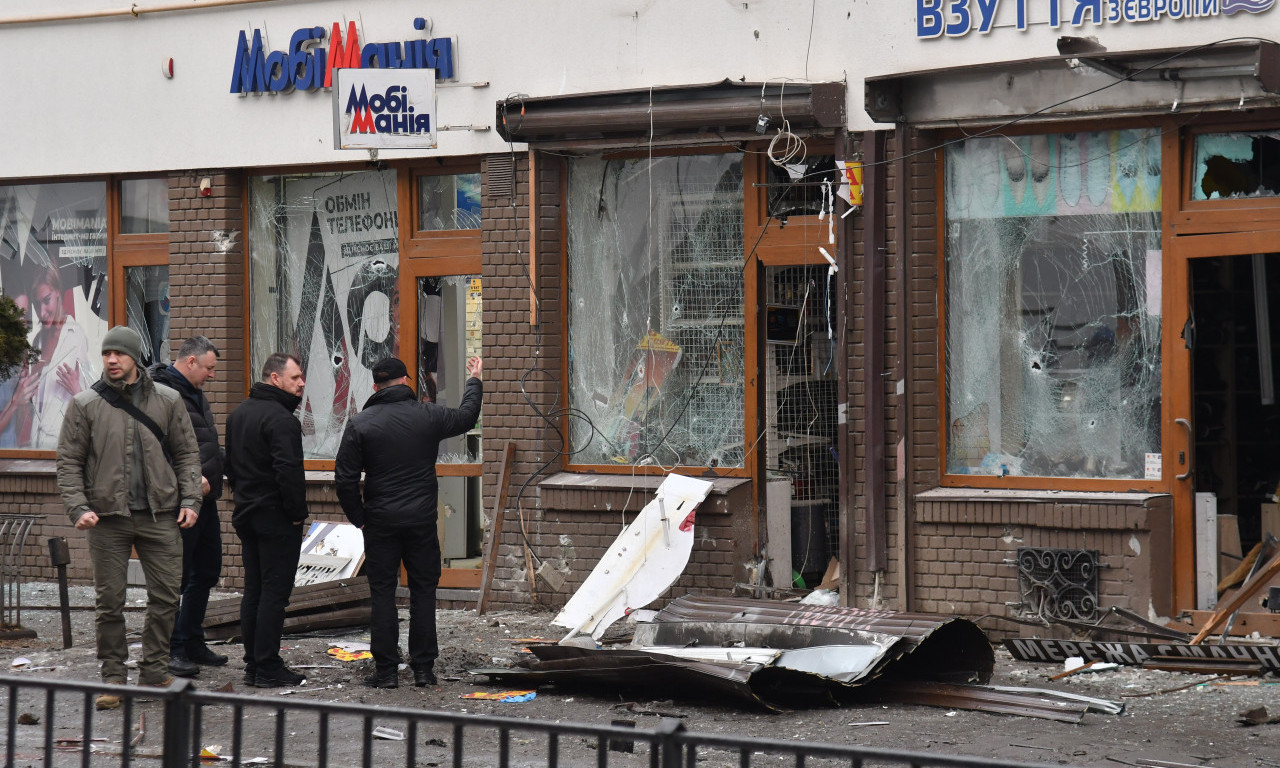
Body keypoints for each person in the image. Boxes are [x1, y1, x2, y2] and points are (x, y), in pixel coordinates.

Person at [55, 326, 202, 711]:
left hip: (161, 515)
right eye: (106, 355)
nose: (112, 360)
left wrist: (191, 500)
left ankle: (154, 670)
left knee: (167, 596)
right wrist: (78, 507)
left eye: (119, 354)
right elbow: (68, 461)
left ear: (135, 358)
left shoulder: (168, 400)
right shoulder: (86, 404)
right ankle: (113, 678)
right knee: (109, 602)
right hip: (107, 518)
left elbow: (188, 454)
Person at [335, 355, 483, 688]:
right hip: (420, 520)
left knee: (383, 593)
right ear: (406, 382)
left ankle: (386, 671)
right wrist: (474, 380)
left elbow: (344, 479)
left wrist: (360, 518)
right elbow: (466, 417)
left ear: (375, 386)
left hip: (380, 522)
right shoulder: (427, 415)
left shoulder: (361, 423)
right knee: (423, 591)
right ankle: (423, 669)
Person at [225, 352, 309, 688]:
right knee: (274, 594)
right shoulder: (282, 420)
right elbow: (288, 472)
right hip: (275, 518)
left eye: (302, 377)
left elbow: (229, 464)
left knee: (255, 590)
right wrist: (296, 514)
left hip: (246, 513)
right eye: (295, 378)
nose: (301, 384)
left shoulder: (239, 414)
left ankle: (253, 665)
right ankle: (268, 666)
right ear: (275, 378)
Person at [151, 336, 226, 676]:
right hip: (180, 504)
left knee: (207, 571)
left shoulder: (194, 393)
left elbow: (204, 443)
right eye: (209, 368)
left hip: (206, 500)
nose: (212, 375)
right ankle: (171, 649)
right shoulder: (162, 394)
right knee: (176, 578)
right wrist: (189, 484)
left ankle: (192, 640)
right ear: (191, 361)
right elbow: (157, 450)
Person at [30, 267, 95, 448]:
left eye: (46, 300)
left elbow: (92, 398)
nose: (42, 312)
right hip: (36, 445)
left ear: (58, 292)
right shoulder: (37, 341)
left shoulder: (75, 336)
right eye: (36, 304)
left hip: (64, 444)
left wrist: (76, 388)